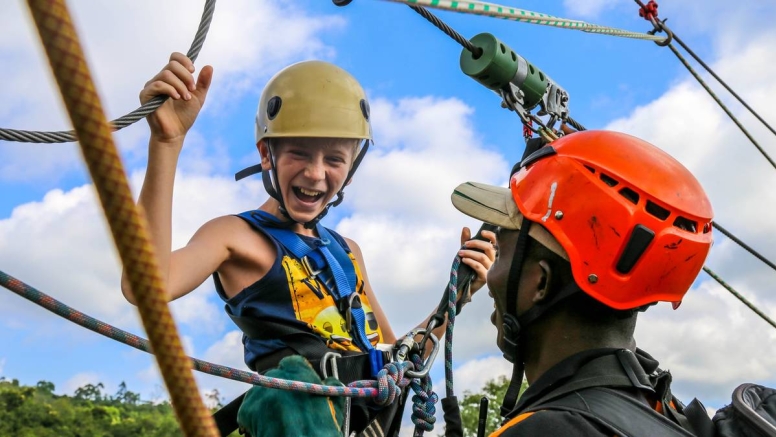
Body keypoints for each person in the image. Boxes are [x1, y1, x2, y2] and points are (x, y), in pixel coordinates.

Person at [121, 52, 496, 436]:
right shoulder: (235, 235)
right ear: (267, 153)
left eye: (334, 159)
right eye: (299, 152)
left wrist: (455, 298)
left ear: (350, 171)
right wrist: (166, 143)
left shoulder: (347, 251)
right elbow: (146, 286)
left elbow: (396, 359)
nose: (315, 173)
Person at [450, 130, 714, 436]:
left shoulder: (544, 430)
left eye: (501, 253)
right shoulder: (666, 414)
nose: (490, 275)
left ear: (541, 282)